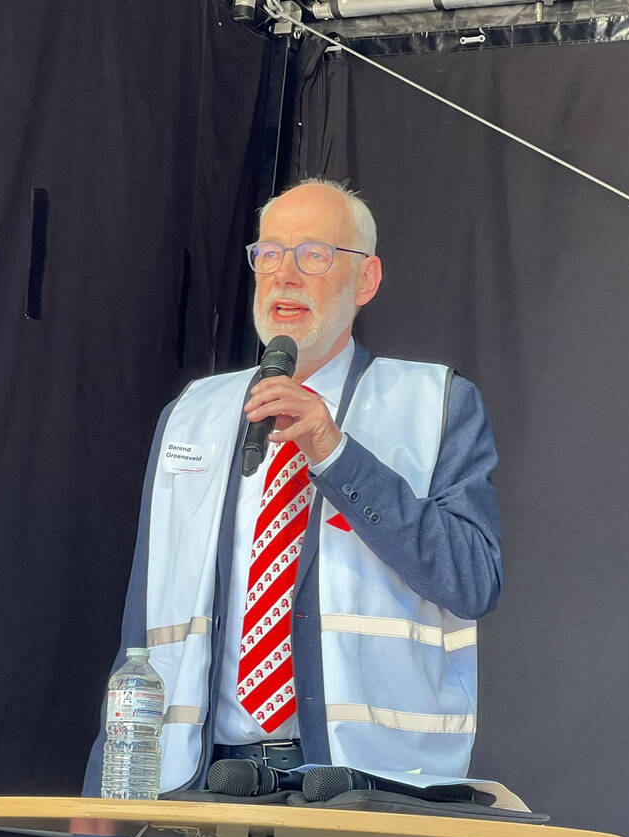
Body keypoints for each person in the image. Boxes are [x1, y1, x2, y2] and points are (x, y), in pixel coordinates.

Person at [82, 179, 502, 798]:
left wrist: (336, 453)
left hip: (364, 787)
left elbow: (472, 581)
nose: (285, 275)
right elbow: (142, 630)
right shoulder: (191, 415)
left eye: (314, 255)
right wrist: (104, 813)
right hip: (202, 784)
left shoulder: (435, 404)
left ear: (366, 280)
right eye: (270, 254)